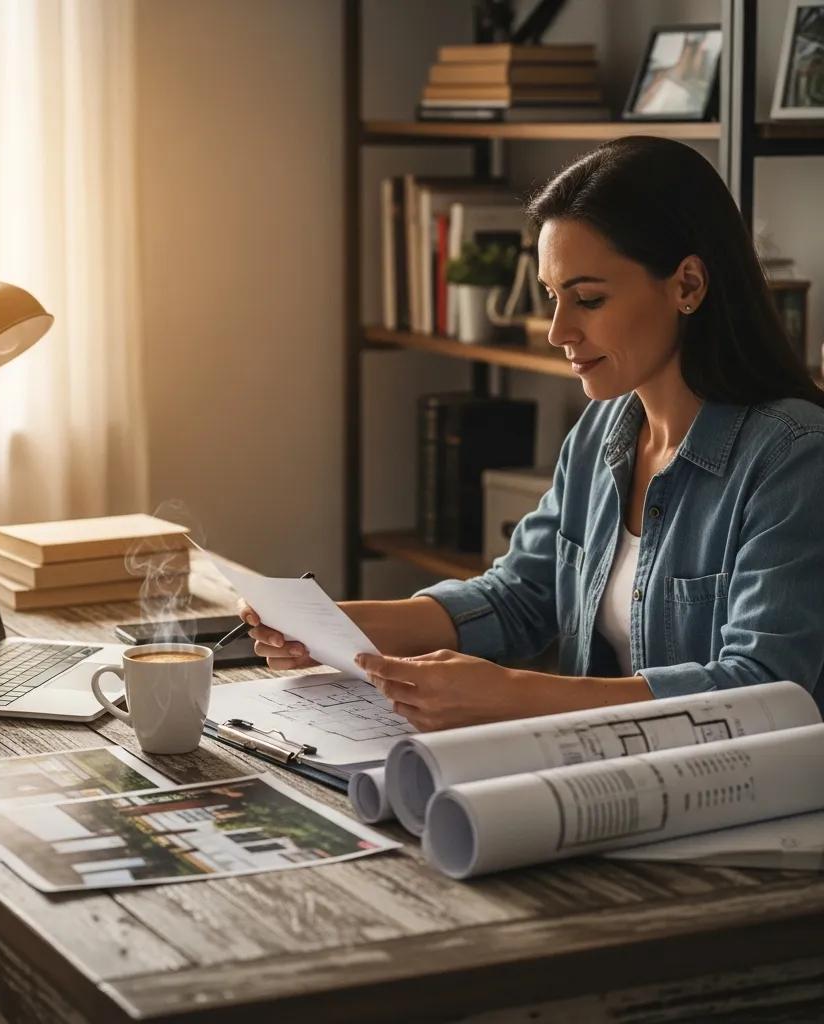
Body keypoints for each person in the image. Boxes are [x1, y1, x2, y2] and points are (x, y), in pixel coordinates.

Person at [244, 136, 824, 732]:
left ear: (688, 286)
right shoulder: (603, 432)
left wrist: (510, 694)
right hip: (600, 774)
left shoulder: (794, 457)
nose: (557, 331)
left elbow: (760, 688)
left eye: (588, 299)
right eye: (552, 296)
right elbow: (520, 594)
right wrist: (330, 627)